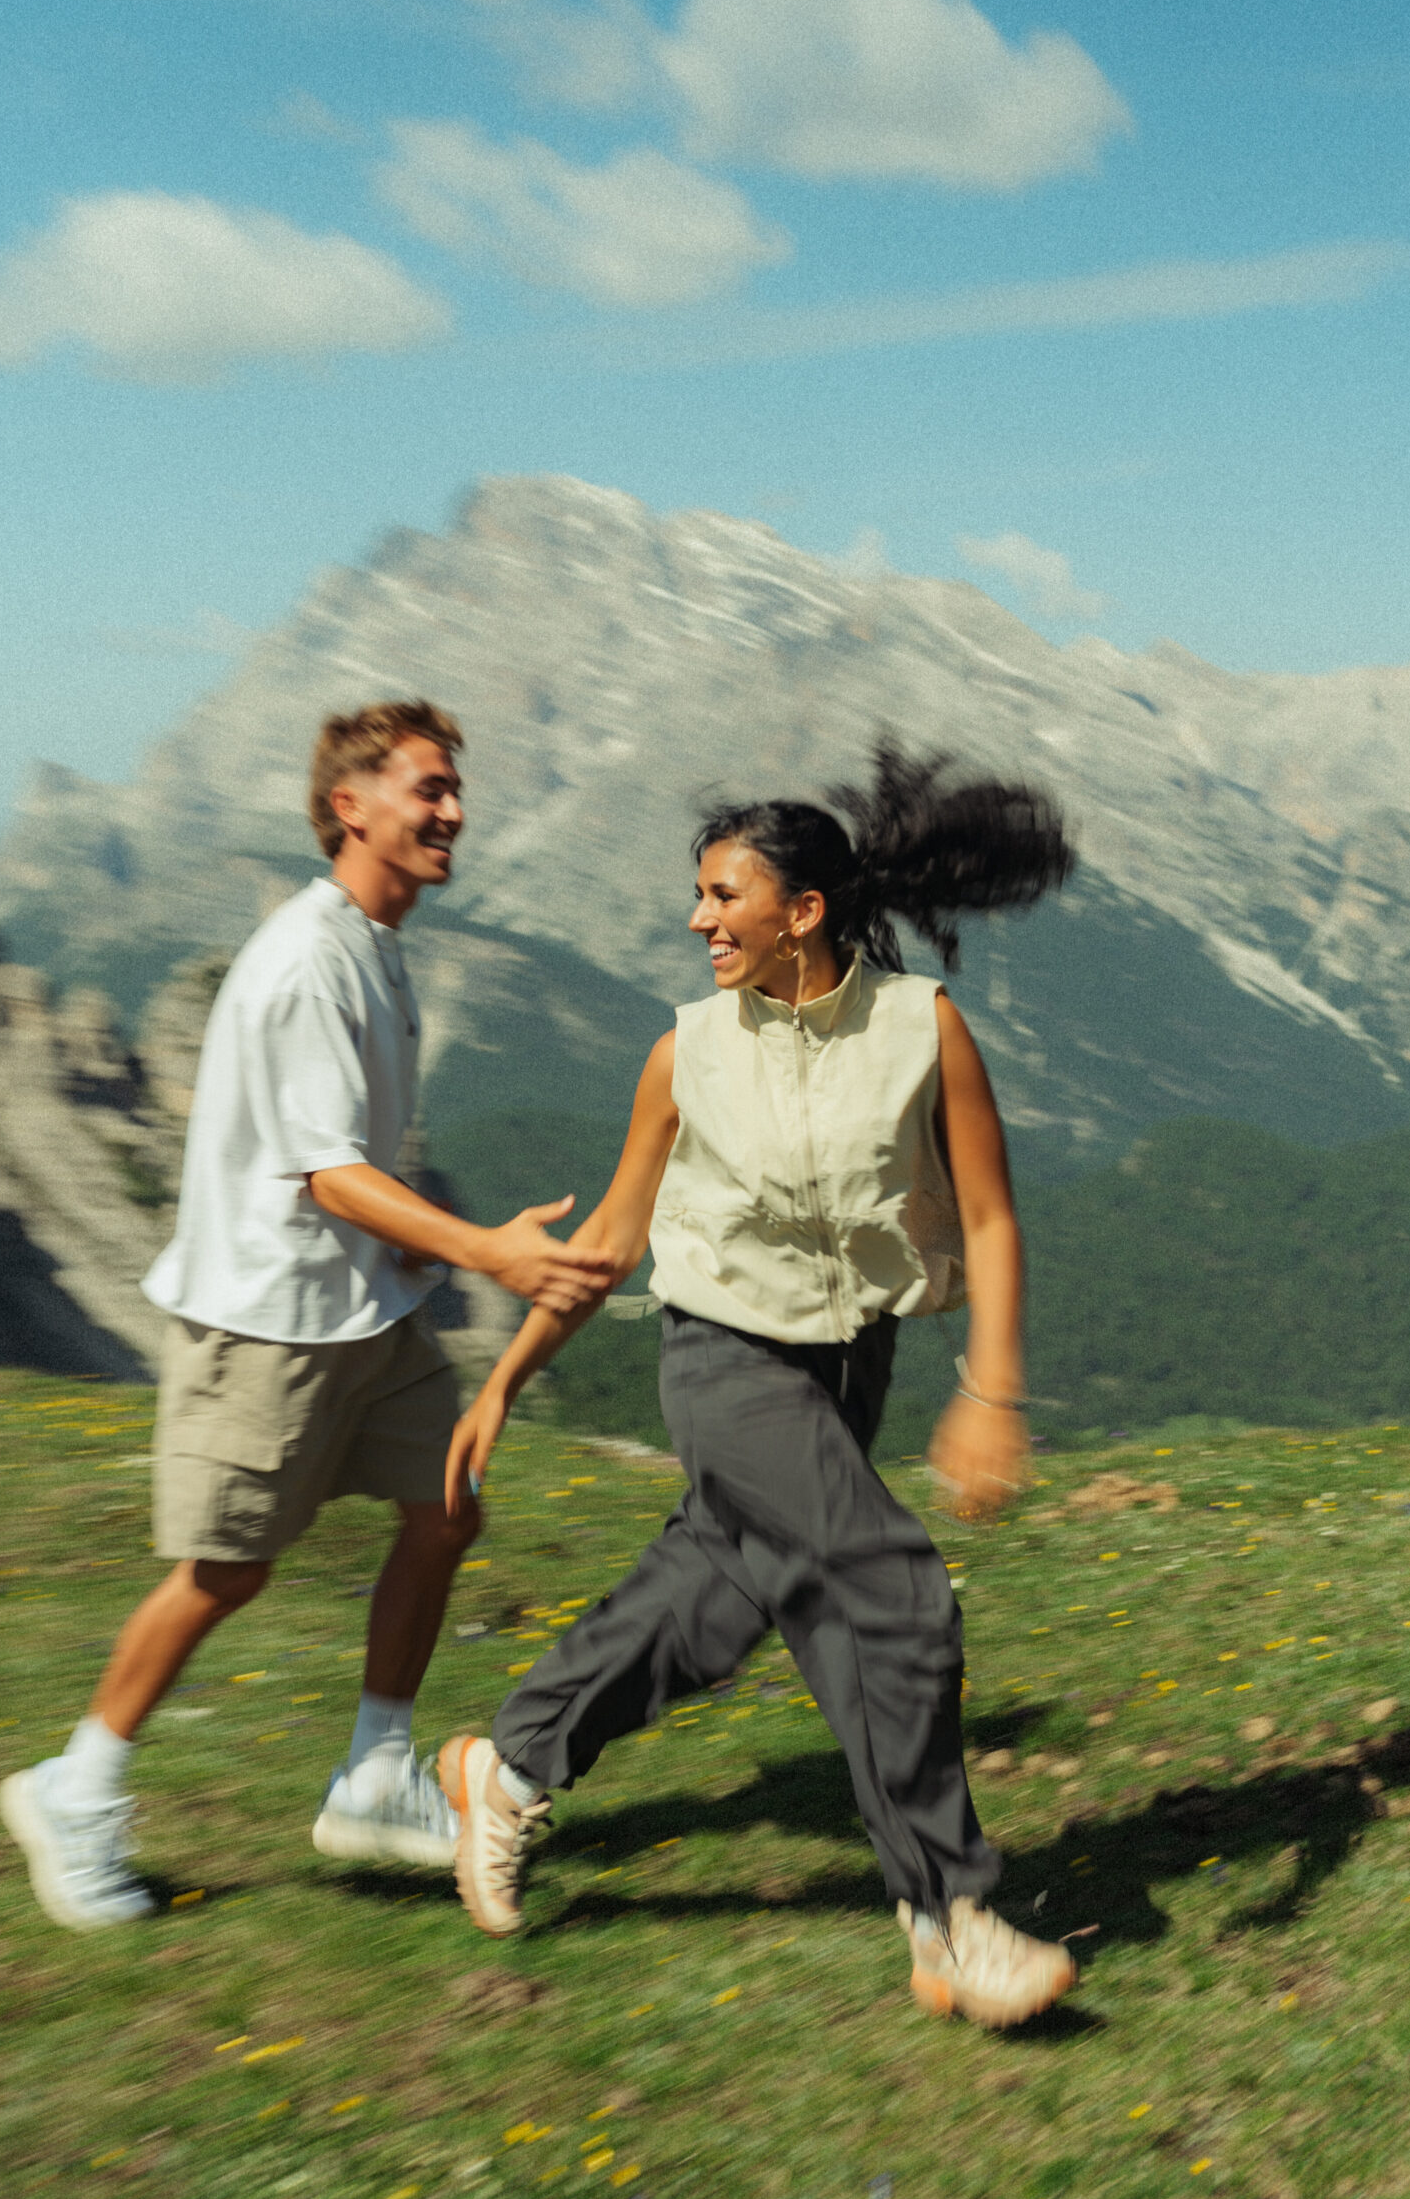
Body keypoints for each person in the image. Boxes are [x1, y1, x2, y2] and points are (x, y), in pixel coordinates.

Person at [435, 741, 1080, 2029]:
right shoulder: (684, 1052)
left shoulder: (922, 1030)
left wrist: (989, 1388)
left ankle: (504, 1768)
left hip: (852, 1359)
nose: (696, 919)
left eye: (721, 897)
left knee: (718, 1596)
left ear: (803, 912)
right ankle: (950, 1911)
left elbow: (992, 1219)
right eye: (699, 896)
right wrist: (503, 1379)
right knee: (889, 1597)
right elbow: (614, 1238)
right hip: (721, 1358)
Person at [0, 699, 613, 1931]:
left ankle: (375, 1777)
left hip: (363, 1307)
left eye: (453, 790)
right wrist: (489, 1252)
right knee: (226, 1568)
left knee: (444, 1509)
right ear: (350, 806)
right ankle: (75, 1787)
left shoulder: (374, 941)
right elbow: (327, 1171)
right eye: (426, 788)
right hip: (267, 1318)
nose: (451, 811)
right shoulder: (304, 959)